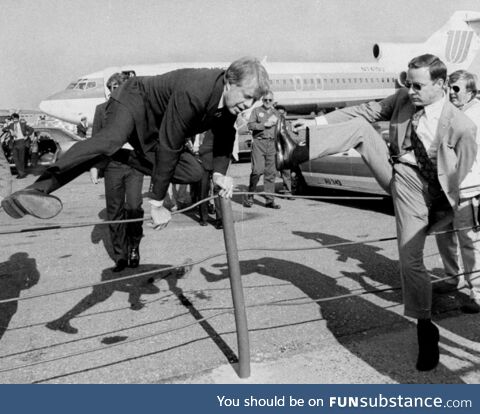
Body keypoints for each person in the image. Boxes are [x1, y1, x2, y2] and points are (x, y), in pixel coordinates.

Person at [278, 54, 477, 371]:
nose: (410, 90)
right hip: (400, 174)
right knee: (359, 127)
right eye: (407, 83)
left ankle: (425, 329)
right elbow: (364, 111)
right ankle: (295, 150)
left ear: (440, 84)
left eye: (418, 85)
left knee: (409, 258)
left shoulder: (462, 126)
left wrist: (440, 206)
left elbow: (460, 172)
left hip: (432, 190)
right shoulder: (402, 99)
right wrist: (315, 122)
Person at [1, 57, 270, 227]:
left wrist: (220, 175)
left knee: (194, 171)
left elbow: (225, 137)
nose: (248, 105)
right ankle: (39, 189)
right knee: (110, 140)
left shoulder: (228, 106)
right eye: (246, 97)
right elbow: (170, 143)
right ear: (229, 82)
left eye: (253, 102)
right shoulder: (196, 91)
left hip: (155, 125)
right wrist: (156, 202)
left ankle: (115, 157)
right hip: (135, 101)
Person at [434, 69, 480, 313]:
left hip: (469, 188)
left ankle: (478, 293)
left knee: (469, 242)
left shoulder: (476, 115)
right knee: (444, 236)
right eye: (448, 88)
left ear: (470, 91)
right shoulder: (451, 113)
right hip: (446, 188)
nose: (451, 93)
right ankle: (453, 278)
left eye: (456, 89)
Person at [90, 73, 145, 273]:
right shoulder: (101, 110)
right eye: (111, 87)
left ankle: (134, 248)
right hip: (113, 164)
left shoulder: (137, 109)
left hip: (134, 165)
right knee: (114, 211)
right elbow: (96, 140)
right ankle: (120, 255)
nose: (114, 90)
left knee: (133, 207)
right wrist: (95, 166)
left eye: (118, 86)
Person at [243, 91, 281, 209]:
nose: (268, 102)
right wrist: (264, 124)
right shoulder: (257, 111)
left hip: (272, 144)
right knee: (257, 171)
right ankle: (250, 195)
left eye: (270, 100)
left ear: (273, 100)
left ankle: (270, 200)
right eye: (265, 100)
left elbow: (282, 128)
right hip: (259, 142)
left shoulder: (277, 113)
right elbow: (250, 125)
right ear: (262, 100)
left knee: (271, 173)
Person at [5, 113, 34, 179]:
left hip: (21, 142)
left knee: (21, 159)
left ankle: (21, 173)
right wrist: (9, 130)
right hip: (14, 143)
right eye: (12, 119)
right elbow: (3, 129)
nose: (13, 120)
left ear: (17, 118)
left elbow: (31, 129)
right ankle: (21, 173)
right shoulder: (11, 125)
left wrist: (27, 135)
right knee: (15, 159)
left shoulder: (22, 124)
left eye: (14, 118)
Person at [275, 105, 293, 199]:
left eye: (282, 113)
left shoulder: (288, 124)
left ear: (285, 114)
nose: (281, 115)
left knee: (286, 172)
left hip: (285, 151)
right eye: (279, 113)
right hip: (274, 151)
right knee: (270, 173)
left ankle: (288, 192)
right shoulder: (272, 124)